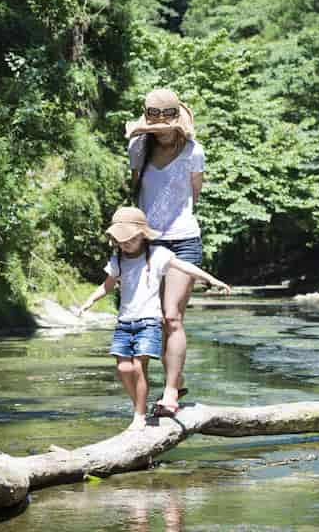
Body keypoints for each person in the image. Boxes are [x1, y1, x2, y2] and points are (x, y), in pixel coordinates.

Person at [77, 207, 229, 429]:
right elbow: (107, 285)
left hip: (148, 322)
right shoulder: (118, 259)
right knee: (123, 369)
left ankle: (139, 415)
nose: (124, 244)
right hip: (124, 323)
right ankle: (139, 404)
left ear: (142, 235)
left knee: (139, 366)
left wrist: (212, 280)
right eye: (120, 240)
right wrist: (90, 301)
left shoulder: (157, 254)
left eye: (128, 239)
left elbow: (185, 266)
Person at [125, 88, 205, 417]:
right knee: (156, 319)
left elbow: (194, 196)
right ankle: (176, 376)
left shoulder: (194, 151)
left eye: (168, 127)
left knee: (172, 315)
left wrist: (175, 221)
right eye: (156, 127)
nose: (163, 133)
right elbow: (138, 188)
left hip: (184, 238)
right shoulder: (138, 148)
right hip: (149, 242)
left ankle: (170, 393)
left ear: (179, 124)